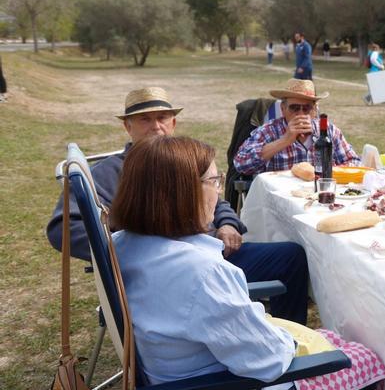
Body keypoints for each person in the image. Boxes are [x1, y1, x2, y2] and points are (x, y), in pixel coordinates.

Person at [111, 136, 385, 387]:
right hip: (224, 381)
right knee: (368, 357)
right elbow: (270, 361)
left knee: (328, 338)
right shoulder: (203, 272)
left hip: (173, 368)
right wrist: (277, 332)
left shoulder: (123, 242)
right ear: (183, 193)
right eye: (214, 181)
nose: (218, 192)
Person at [46, 87, 310, 323]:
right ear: (128, 126)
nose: (156, 126)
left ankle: (290, 329)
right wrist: (139, 245)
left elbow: (215, 198)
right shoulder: (109, 172)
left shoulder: (184, 159)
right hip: (168, 275)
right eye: (144, 119)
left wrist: (227, 223)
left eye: (162, 118)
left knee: (291, 256)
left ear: (173, 123)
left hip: (213, 252)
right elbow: (64, 229)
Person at [234, 79, 360, 175]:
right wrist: (284, 140)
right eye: (294, 108)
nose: (300, 113)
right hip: (281, 199)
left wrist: (328, 172)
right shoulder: (269, 131)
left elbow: (354, 163)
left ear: (315, 111)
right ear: (283, 109)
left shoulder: (328, 131)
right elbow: (240, 163)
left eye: (306, 108)